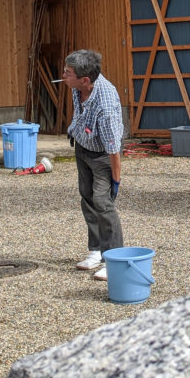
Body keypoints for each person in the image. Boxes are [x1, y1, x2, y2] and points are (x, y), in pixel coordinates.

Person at [62, 49, 124, 280]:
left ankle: (114, 258)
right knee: (86, 197)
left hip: (102, 155)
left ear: (84, 79)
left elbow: (113, 147)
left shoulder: (105, 104)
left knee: (103, 202)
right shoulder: (78, 87)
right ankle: (96, 250)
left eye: (67, 73)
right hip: (82, 147)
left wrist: (115, 179)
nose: (63, 76)